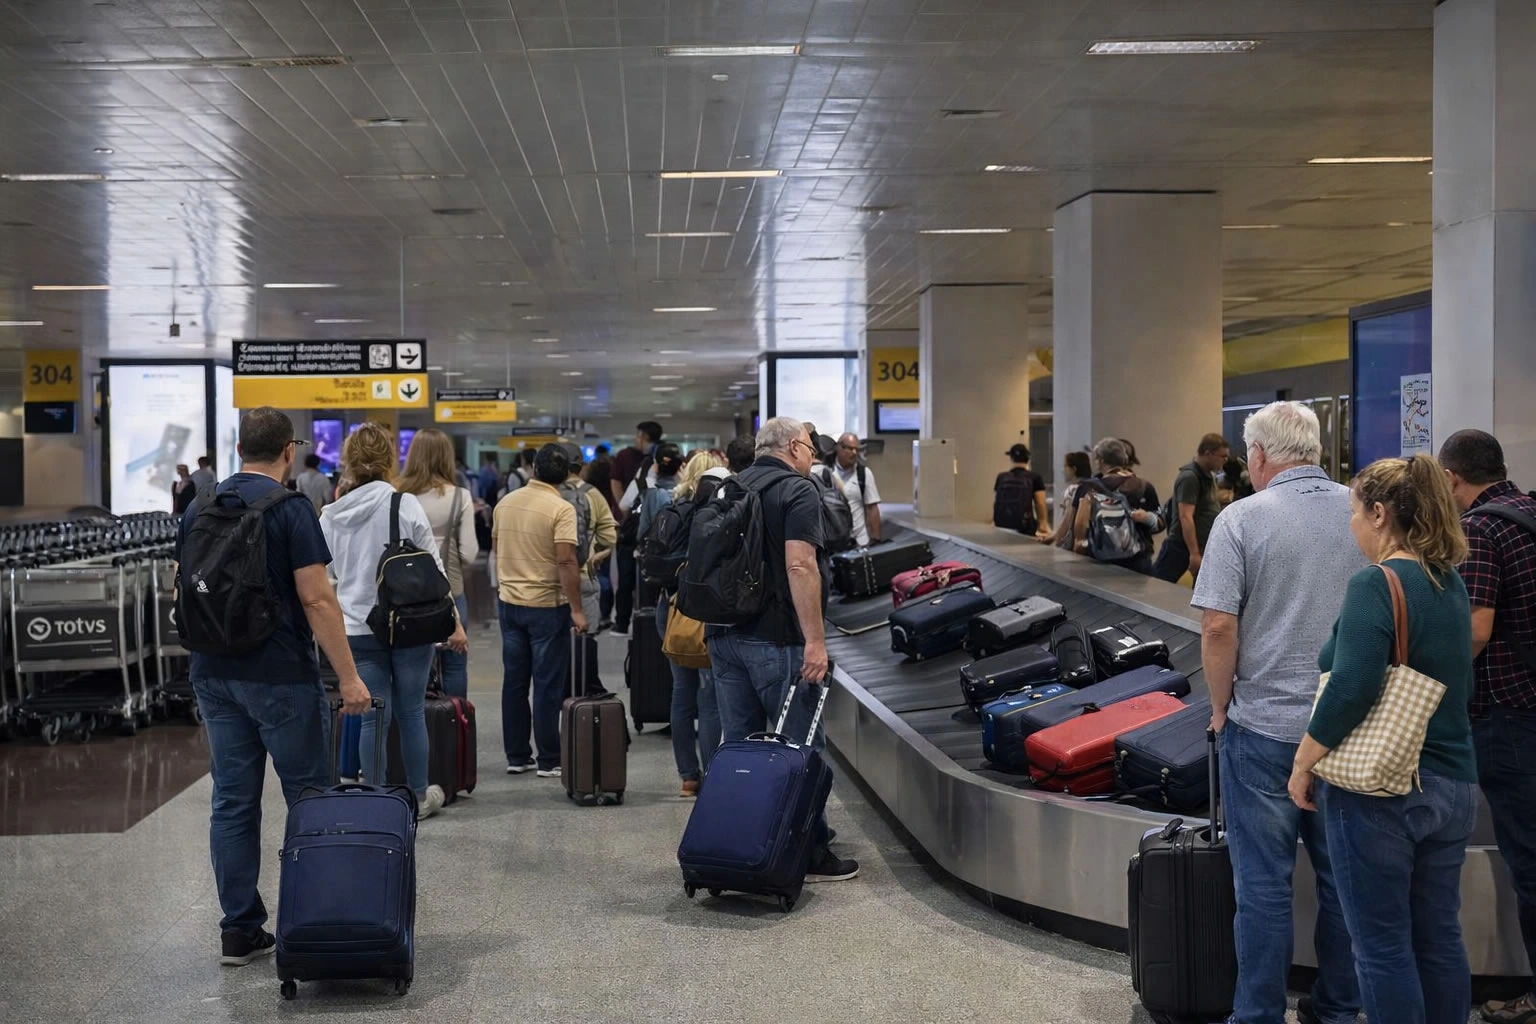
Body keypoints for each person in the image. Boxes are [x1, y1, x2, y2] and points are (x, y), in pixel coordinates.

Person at [177, 407, 371, 967]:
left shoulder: (198, 506)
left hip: (213, 673)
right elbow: (316, 599)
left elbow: (184, 587)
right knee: (308, 798)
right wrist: (350, 677)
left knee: (232, 802)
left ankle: (239, 930)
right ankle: (315, 919)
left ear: (240, 449)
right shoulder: (291, 509)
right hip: (280, 675)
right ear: (289, 450)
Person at [1190, 401, 1364, 1024]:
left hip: (1263, 727)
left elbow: (1217, 627)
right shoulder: (1364, 512)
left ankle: (1258, 1013)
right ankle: (1337, 1008)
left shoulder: (1241, 518)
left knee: (1262, 886)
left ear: (1259, 454)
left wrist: (1220, 708)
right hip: (1347, 731)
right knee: (1343, 884)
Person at [1288, 455, 1476, 1024]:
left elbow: (1353, 686)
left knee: (1381, 945)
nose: (1351, 526)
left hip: (1382, 790)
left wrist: (1304, 762)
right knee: (1439, 935)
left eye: (1353, 513)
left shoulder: (1376, 582)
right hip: (1454, 783)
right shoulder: (1449, 581)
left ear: (1378, 513)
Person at [706, 416, 859, 883]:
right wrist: (815, 640)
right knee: (799, 747)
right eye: (810, 447)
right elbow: (800, 565)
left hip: (724, 636)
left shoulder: (729, 486)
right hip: (777, 639)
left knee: (740, 749)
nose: (813, 455)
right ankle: (809, 851)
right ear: (793, 447)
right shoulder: (797, 490)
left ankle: (744, 843)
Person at [1438, 429, 1536, 1024]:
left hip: (1507, 717)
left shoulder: (1480, 529)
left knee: (1529, 860)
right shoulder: (1528, 511)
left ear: (1452, 478)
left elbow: (1475, 630)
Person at [321, 423, 466, 821]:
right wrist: (454, 621)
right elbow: (434, 570)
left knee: (373, 717)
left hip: (356, 628)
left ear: (347, 460)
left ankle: (374, 798)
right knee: (411, 712)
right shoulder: (404, 505)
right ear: (389, 460)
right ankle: (418, 797)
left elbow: (326, 577)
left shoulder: (330, 516)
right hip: (408, 624)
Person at [493, 443, 588, 777]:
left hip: (509, 603)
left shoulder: (505, 503)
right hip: (547, 606)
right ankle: (549, 758)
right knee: (547, 684)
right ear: (567, 475)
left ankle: (517, 756)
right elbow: (566, 560)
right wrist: (577, 609)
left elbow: (498, 549)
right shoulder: (561, 509)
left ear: (534, 468)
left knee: (514, 682)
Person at [662, 450, 731, 797]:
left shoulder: (672, 508)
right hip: (704, 609)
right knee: (709, 698)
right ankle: (712, 775)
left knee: (681, 694)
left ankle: (688, 777)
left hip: (671, 607)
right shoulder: (716, 512)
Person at [399, 428, 479, 699]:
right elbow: (469, 553)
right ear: (447, 457)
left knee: (412, 667)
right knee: (455, 664)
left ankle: (417, 720)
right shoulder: (460, 497)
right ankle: (455, 720)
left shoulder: (397, 494)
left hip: (405, 596)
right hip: (450, 592)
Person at [1070, 438, 1163, 575]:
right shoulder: (1143, 486)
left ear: (1100, 461)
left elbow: (1079, 528)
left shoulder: (1088, 488)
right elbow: (1160, 524)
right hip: (1137, 561)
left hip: (1097, 561)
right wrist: (1147, 518)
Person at [1153, 432, 1230, 584]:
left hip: (1202, 544)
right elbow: (1185, 516)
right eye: (1223, 456)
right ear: (1208, 453)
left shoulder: (1208, 476)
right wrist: (1194, 553)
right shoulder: (1190, 477)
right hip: (1181, 546)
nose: (1225, 461)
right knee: (1159, 585)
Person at [611, 421, 663, 636]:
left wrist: (627, 517)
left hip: (634, 535)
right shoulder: (674, 483)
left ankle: (622, 623)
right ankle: (654, 626)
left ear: (643, 437)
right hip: (661, 539)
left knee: (626, 579)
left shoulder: (641, 480)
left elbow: (623, 501)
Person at [562, 442, 617, 635]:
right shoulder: (592, 494)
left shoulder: (548, 493)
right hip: (583, 575)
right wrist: (597, 555)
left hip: (549, 580)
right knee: (585, 640)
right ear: (581, 466)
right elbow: (609, 536)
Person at [813, 433, 882, 548]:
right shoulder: (824, 472)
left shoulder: (864, 474)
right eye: (850, 448)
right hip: (832, 542)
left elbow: (872, 508)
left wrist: (876, 540)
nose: (854, 453)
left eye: (857, 449)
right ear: (839, 447)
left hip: (859, 542)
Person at [582, 453, 619, 628]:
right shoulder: (612, 494)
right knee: (605, 574)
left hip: (589, 538)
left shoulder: (587, 494)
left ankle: (593, 614)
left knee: (593, 574)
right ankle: (605, 613)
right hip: (606, 537)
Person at [994, 443, 1050, 539]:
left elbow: (997, 500)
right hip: (1025, 526)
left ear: (1011, 458)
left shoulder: (1001, 477)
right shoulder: (1035, 477)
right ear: (1027, 458)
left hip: (1002, 525)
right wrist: (1043, 523)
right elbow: (1040, 503)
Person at [637, 442, 685, 541]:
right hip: (679, 548)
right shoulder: (687, 494)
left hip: (656, 548)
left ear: (656, 466)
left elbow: (642, 531)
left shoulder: (652, 495)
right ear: (680, 466)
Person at [1045, 450, 1092, 549]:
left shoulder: (1073, 490)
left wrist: (1056, 540)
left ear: (1074, 469)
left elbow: (1067, 520)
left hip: (1074, 542)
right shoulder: (1093, 487)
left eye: (1066, 466)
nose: (1063, 470)